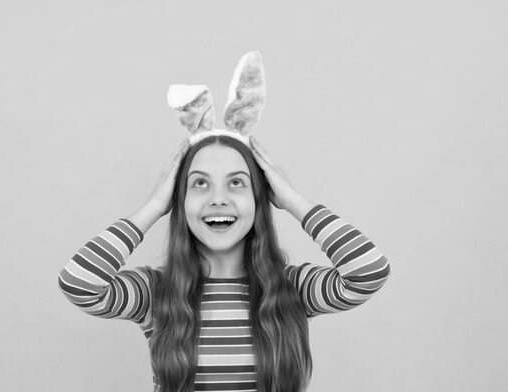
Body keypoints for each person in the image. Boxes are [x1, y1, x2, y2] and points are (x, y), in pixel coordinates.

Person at [58, 52, 390, 392]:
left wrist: (292, 199)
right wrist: (155, 205)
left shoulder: (293, 289)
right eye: (200, 183)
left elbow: (368, 273)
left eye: (236, 183)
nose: (218, 198)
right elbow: (79, 285)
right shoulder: (156, 293)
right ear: (180, 198)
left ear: (260, 199)